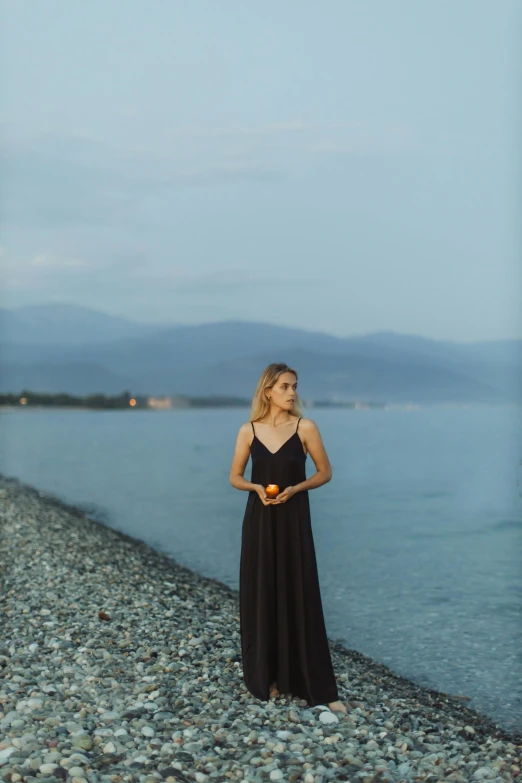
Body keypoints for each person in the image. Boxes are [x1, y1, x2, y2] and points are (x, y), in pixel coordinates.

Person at [229, 362, 347, 715]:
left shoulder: (305, 427)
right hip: (261, 518)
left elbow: (325, 472)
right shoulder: (248, 430)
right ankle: (269, 678)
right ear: (267, 391)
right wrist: (254, 487)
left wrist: (297, 488)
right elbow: (235, 476)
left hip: (294, 518)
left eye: (294, 386)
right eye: (284, 386)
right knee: (263, 590)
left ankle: (312, 683)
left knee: (299, 591)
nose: (292, 392)